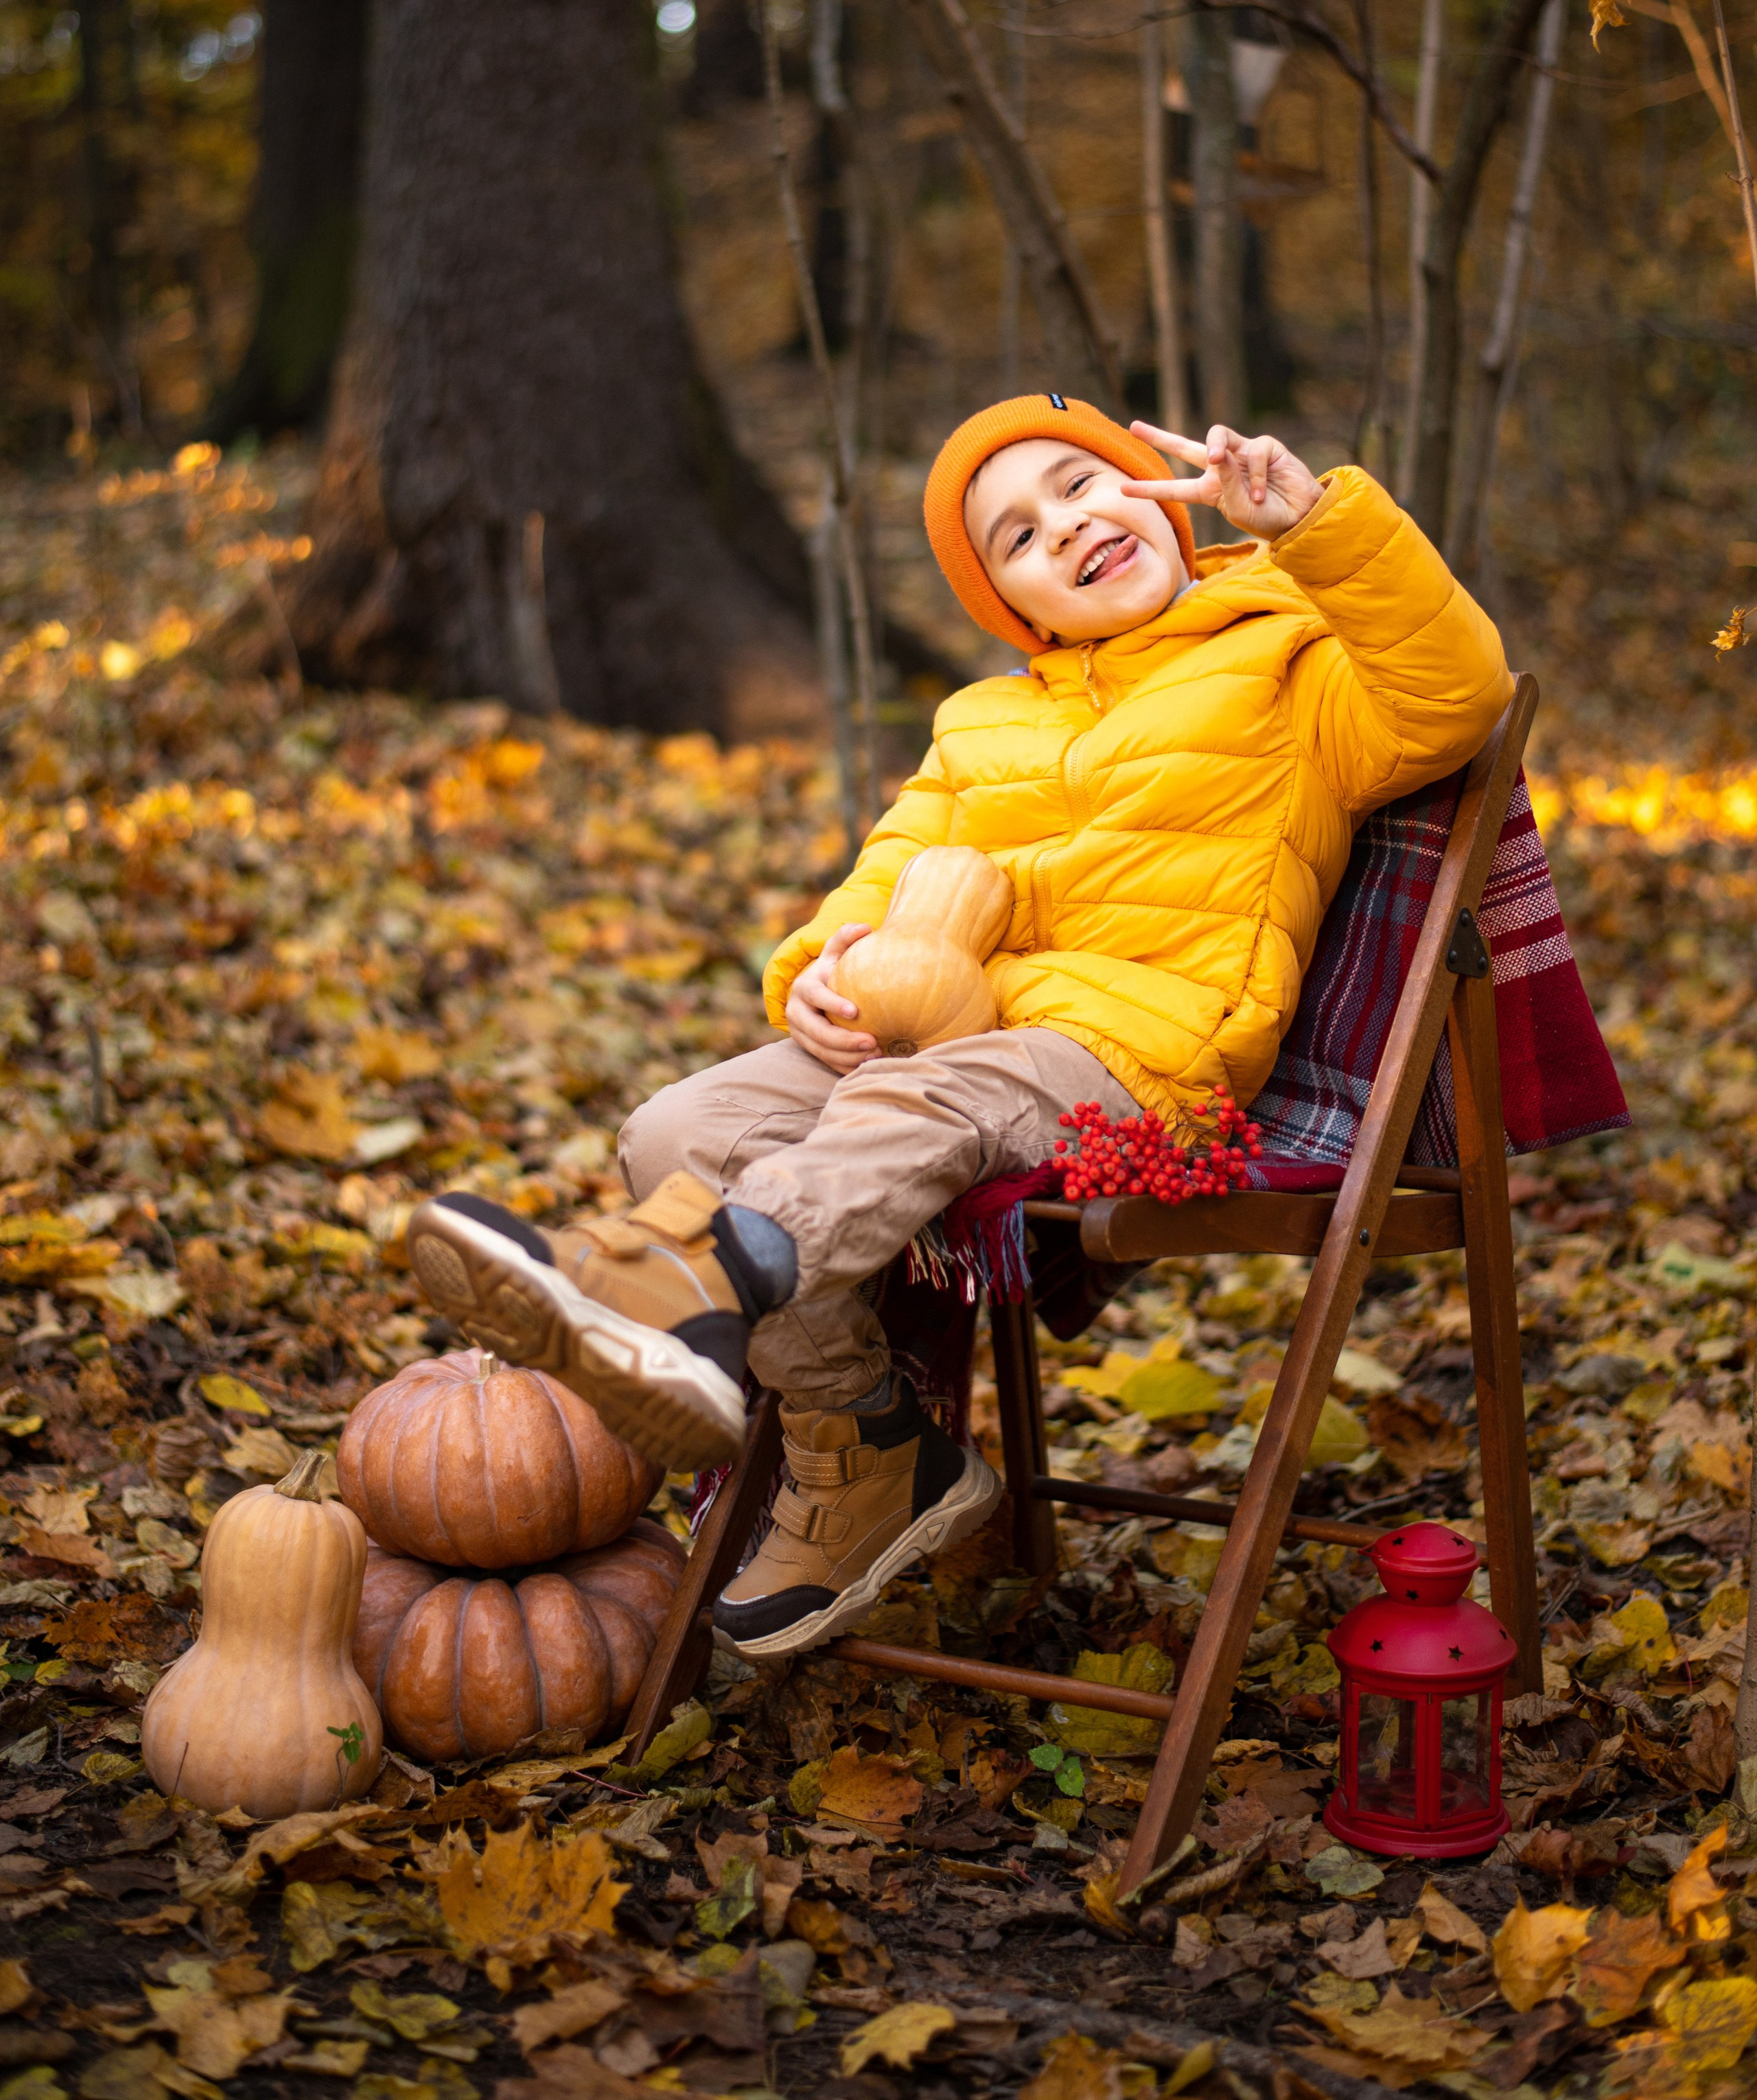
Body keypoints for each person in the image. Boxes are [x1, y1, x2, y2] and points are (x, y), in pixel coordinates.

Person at [408, 396, 1512, 1656]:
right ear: (1016, 611)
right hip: (948, 1036)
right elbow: (888, 871)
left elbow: (1458, 692)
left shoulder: (1294, 661)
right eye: (1021, 538)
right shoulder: (983, 722)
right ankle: (868, 1444)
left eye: (1081, 484)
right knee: (682, 1129)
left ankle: (694, 1280)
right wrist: (818, 968)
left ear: (1159, 493)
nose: (1067, 526)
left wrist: (1315, 526)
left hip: (1140, 1054)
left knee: (917, 1098)